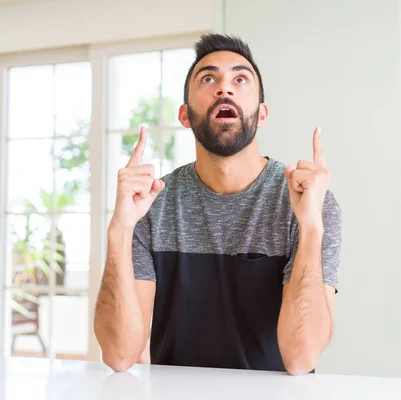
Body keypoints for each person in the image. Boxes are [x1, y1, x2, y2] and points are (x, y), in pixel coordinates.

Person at [93, 33, 342, 376]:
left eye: (240, 79)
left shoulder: (310, 202)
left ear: (262, 113)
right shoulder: (151, 204)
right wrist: (119, 231)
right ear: (184, 114)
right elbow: (120, 355)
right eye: (208, 78)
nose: (225, 88)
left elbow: (300, 358)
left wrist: (311, 227)